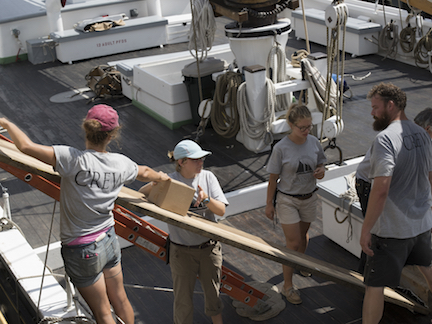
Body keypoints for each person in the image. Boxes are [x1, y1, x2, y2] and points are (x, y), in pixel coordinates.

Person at [0, 104, 170, 324]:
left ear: (86, 128)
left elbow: (25, 146)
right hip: (108, 239)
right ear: (112, 135)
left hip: (81, 249)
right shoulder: (121, 164)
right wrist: (162, 177)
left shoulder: (71, 158)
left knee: (102, 312)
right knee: (120, 300)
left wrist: (6, 123)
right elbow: (145, 172)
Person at [360, 83, 432, 324]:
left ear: (391, 105)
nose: (372, 113)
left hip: (391, 231)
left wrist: (366, 229)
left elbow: (380, 190)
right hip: (421, 224)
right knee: (428, 267)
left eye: (375, 107)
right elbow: (430, 178)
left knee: (374, 286)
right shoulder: (423, 134)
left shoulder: (385, 139)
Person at [140, 139, 228, 324]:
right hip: (181, 251)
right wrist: (154, 183)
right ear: (181, 162)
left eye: (201, 159)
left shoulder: (208, 177)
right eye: (195, 159)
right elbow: (141, 193)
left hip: (209, 249)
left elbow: (221, 211)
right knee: (183, 300)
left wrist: (206, 199)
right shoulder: (170, 181)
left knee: (213, 297)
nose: (200, 163)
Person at [265, 103, 326, 305]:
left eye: (309, 127)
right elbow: (273, 178)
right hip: (288, 200)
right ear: (291, 125)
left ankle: (301, 263)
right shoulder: (281, 148)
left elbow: (321, 164)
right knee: (292, 243)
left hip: (309, 197)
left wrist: (321, 170)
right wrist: (269, 205)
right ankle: (288, 286)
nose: (307, 131)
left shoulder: (314, 142)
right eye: (302, 128)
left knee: (303, 237)